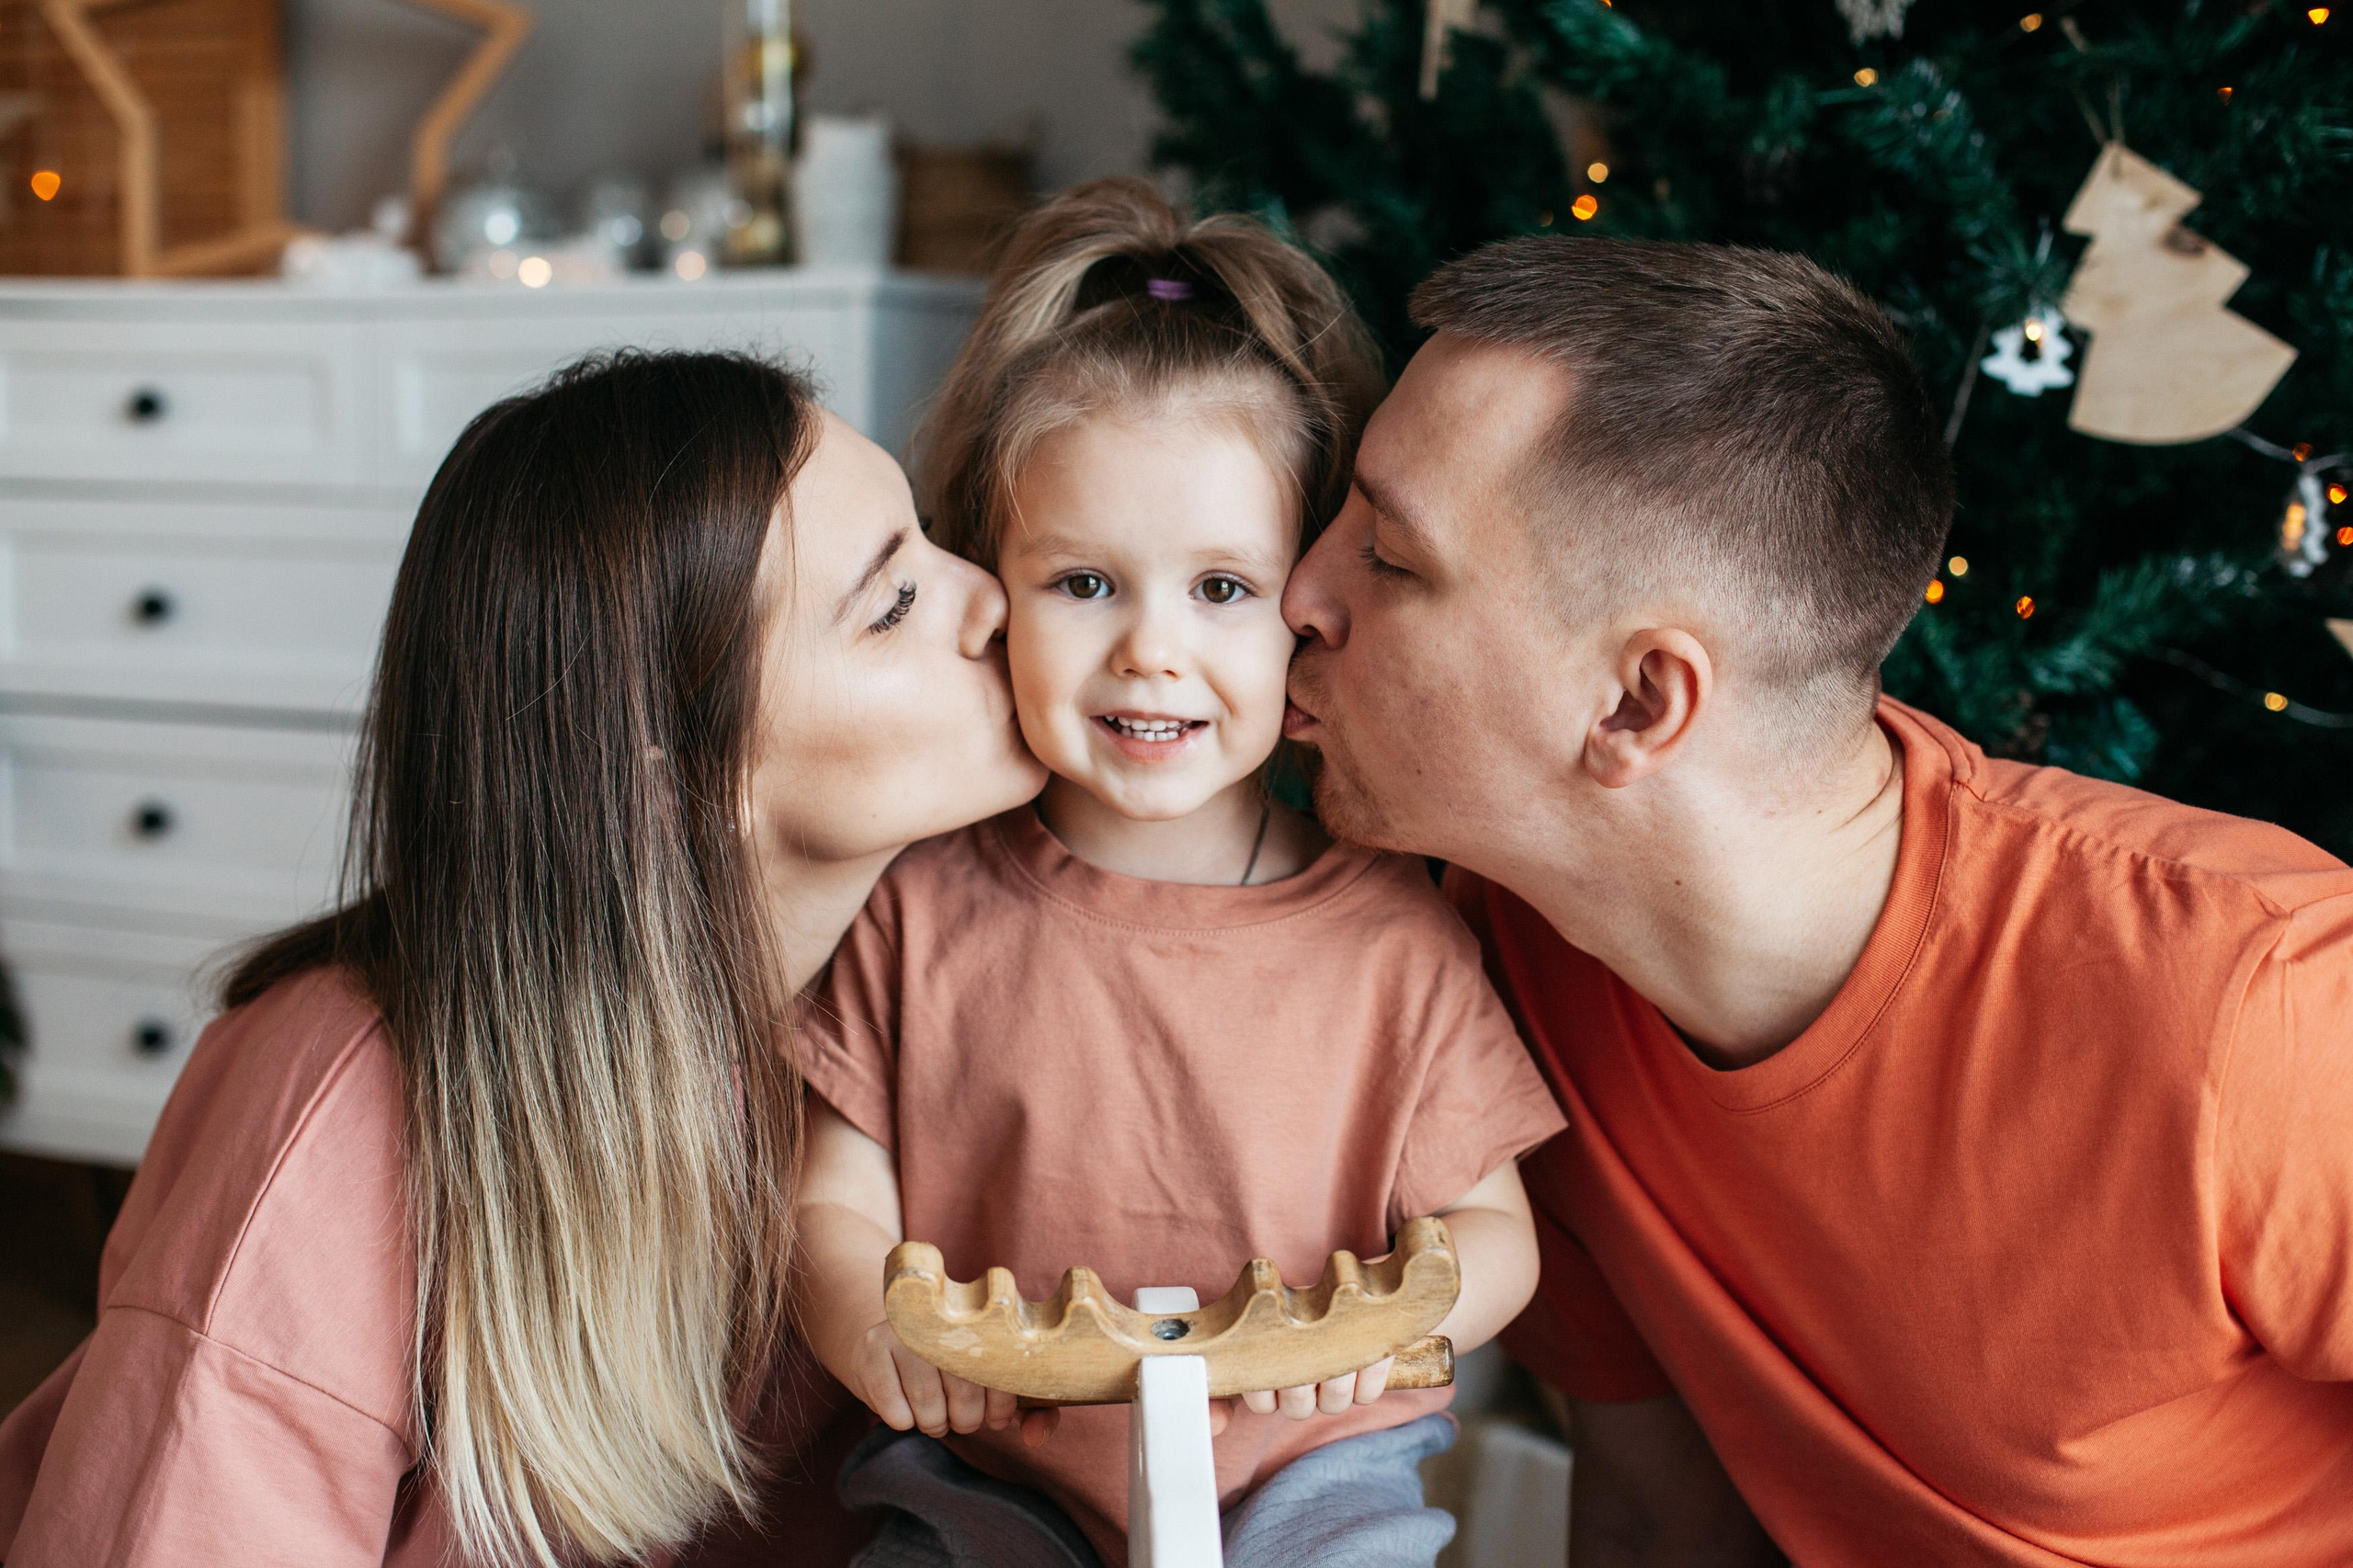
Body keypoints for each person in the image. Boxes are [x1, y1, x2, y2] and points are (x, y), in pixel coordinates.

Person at [1279, 238, 2353, 1565]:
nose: (1296, 595)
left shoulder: (2262, 1001)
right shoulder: (1506, 958)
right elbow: (1654, 1517)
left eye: (1387, 553)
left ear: (1637, 703)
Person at [0, 352, 1048, 1568]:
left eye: (924, 541)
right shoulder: (344, 1117)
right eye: (894, 604)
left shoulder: (914, 989)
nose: (992, 600)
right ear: (677, 781)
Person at [790, 180, 1567, 1568]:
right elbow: (832, 1198)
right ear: (994, 586)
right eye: (1084, 583)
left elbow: (1495, 1235)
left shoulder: (1391, 930)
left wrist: (1389, 1331)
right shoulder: (915, 905)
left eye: (1221, 589)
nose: (1151, 650)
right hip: (988, 1470)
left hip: (1310, 1473)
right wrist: (871, 1327)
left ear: (1307, 609)